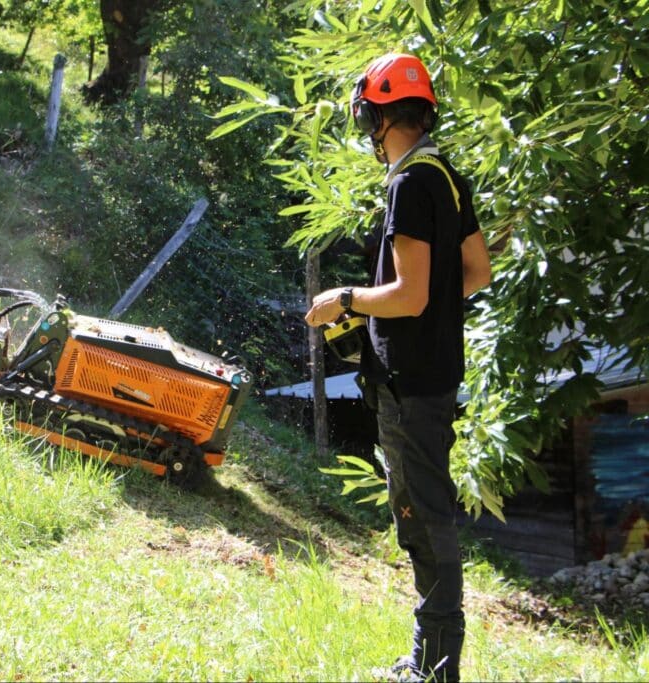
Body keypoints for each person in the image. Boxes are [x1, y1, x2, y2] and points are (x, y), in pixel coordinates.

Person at [304, 53, 492, 682]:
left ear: (377, 117)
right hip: (433, 373)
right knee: (424, 512)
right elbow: (474, 274)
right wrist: (425, 311)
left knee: (423, 518)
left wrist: (347, 300)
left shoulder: (410, 182)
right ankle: (430, 660)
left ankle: (435, 668)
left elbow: (409, 295)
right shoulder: (447, 176)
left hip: (409, 383)